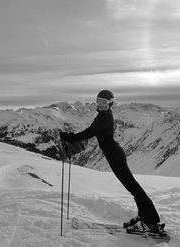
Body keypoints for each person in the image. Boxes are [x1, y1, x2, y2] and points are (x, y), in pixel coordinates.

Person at [60, 90, 163, 234]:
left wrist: (70, 138)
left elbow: (90, 132)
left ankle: (151, 222)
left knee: (133, 187)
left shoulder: (105, 117)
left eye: (103, 102)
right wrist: (70, 137)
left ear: (110, 103)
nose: (100, 104)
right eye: (98, 101)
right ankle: (144, 218)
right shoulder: (102, 115)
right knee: (133, 188)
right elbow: (91, 131)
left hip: (115, 156)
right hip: (113, 154)